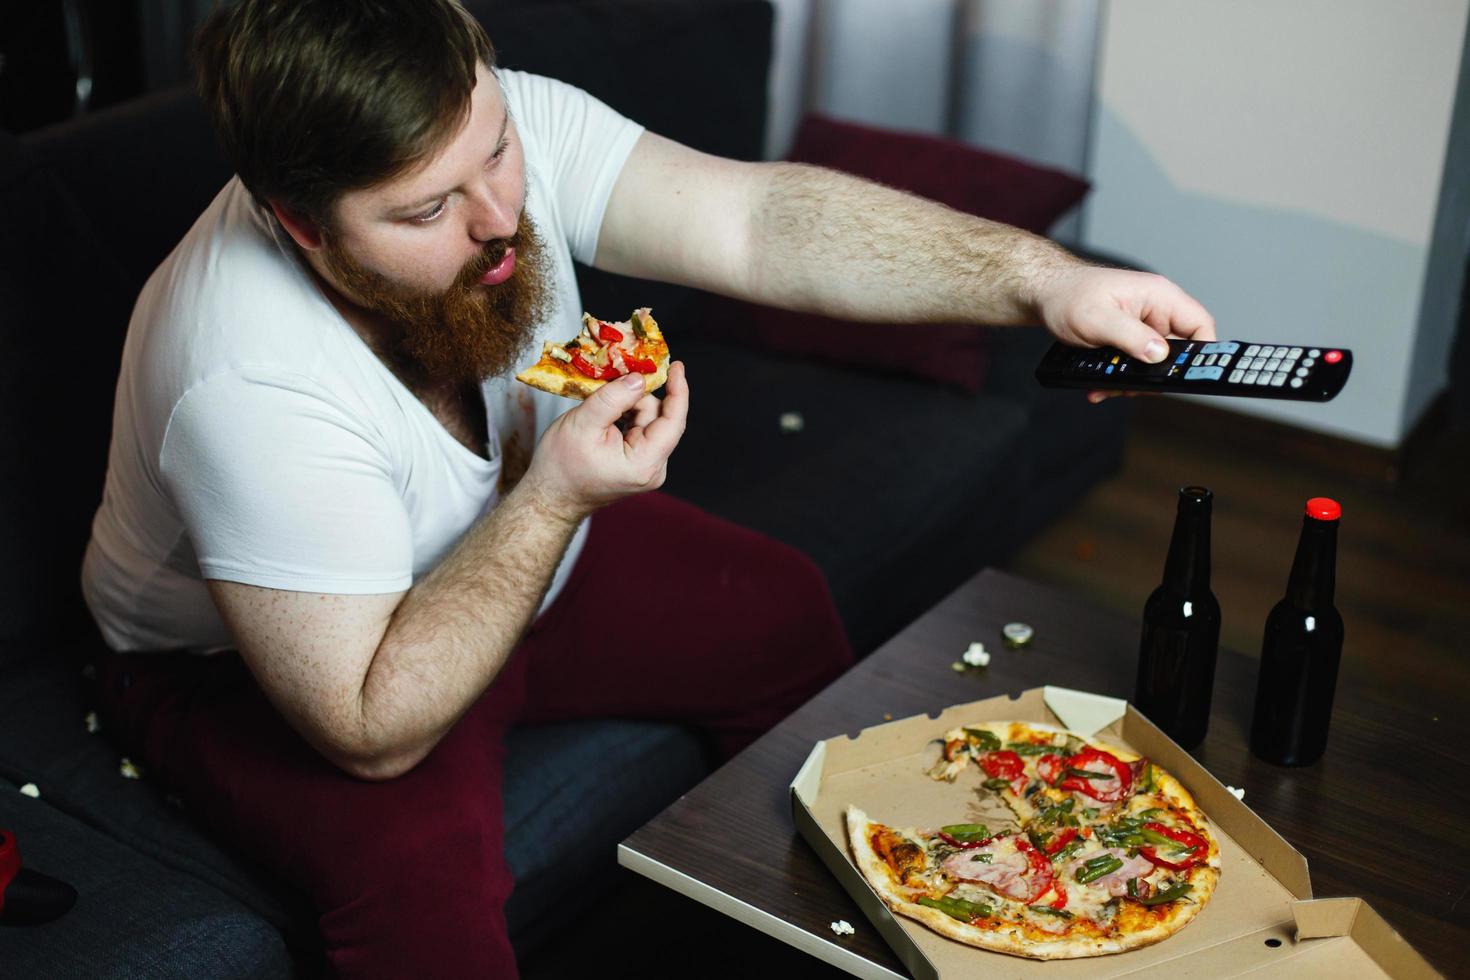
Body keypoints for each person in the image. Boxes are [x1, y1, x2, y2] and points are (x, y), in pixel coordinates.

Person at [80, 1, 1216, 976]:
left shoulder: (481, 136)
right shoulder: (241, 374)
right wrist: (555, 497)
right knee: (422, 881)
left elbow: (757, 220)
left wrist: (1042, 278)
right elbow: (370, 727)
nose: (500, 219)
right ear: (303, 229)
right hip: (282, 663)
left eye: (498, 152)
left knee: (781, 609)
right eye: (427, 210)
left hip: (514, 539)